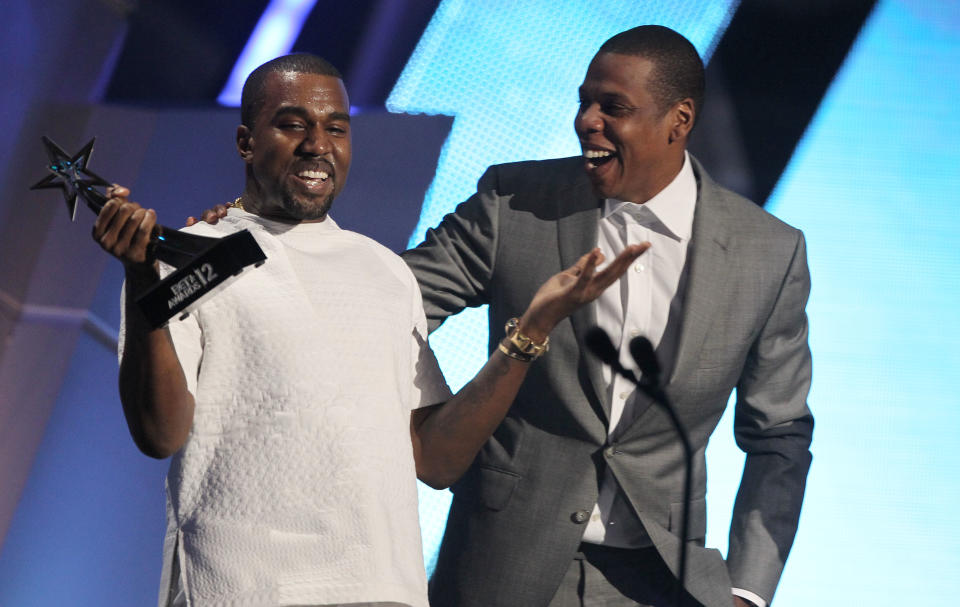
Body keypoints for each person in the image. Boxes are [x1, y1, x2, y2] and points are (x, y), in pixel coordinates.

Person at [94, 54, 647, 607]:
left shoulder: (385, 272)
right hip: (245, 587)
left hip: (380, 591)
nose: (317, 144)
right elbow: (159, 435)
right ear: (245, 142)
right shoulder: (186, 259)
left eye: (335, 127)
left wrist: (529, 331)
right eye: (292, 124)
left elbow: (434, 459)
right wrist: (142, 281)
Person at [398, 25, 814, 607]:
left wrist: (747, 589)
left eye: (613, 107)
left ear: (680, 120)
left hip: (656, 581)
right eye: (584, 102)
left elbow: (780, 435)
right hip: (501, 565)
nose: (587, 121)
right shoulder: (515, 202)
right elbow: (389, 303)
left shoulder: (769, 252)